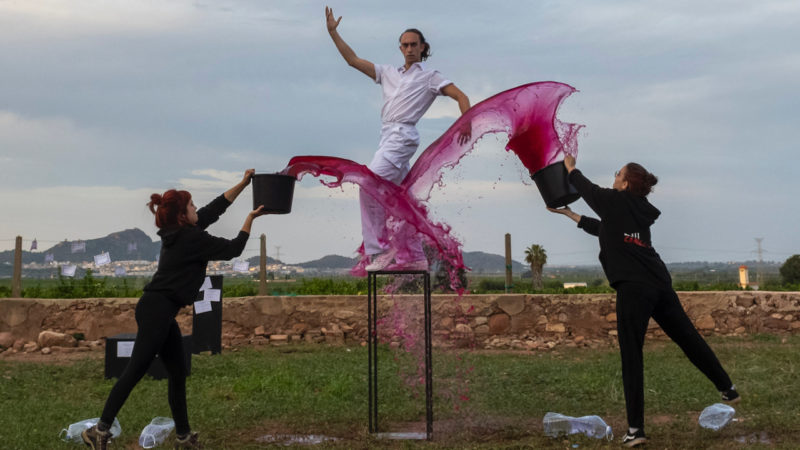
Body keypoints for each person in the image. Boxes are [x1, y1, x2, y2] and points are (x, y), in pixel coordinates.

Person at [547, 156, 740, 448]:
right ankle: (727, 387)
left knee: (632, 356)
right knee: (688, 338)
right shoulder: (634, 210)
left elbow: (588, 189)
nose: (614, 178)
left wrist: (571, 169)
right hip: (659, 283)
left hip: (634, 288)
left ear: (625, 183)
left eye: (617, 174)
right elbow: (606, 231)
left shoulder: (614, 200)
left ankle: (636, 430)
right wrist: (571, 215)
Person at [81, 170, 264, 450]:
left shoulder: (182, 233)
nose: (195, 209)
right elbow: (234, 249)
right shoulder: (191, 239)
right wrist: (250, 219)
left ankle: (183, 438)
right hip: (157, 310)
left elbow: (215, 208)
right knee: (135, 370)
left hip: (161, 310)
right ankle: (99, 430)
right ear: (182, 215)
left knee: (177, 373)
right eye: (191, 206)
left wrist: (243, 183)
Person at [325, 6, 471, 271]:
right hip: (386, 136)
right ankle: (415, 256)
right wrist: (334, 34)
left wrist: (466, 121)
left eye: (414, 44)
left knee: (368, 184)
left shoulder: (430, 77)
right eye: (405, 45)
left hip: (402, 136)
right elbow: (353, 60)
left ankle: (379, 249)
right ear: (400, 48)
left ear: (423, 47)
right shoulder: (388, 73)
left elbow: (461, 96)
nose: (409, 48)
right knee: (401, 200)